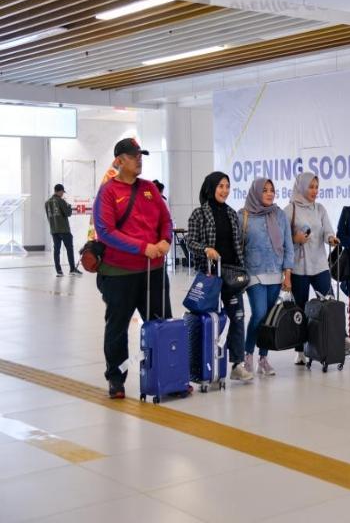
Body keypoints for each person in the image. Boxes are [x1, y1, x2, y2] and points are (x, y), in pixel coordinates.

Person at [93, 138, 172, 399]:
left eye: (140, 155)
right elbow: (105, 232)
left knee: (161, 324)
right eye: (133, 156)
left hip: (154, 271)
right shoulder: (108, 192)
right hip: (119, 273)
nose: (139, 159)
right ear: (119, 161)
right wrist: (142, 247)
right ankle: (116, 379)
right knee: (117, 329)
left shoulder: (149, 188)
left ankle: (168, 375)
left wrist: (165, 239)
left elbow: (166, 219)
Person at [187, 172, 253, 382]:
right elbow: (190, 242)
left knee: (237, 317)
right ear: (211, 188)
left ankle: (237, 364)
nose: (225, 190)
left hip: (231, 276)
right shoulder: (199, 214)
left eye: (227, 186)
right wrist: (206, 249)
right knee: (208, 319)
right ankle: (204, 365)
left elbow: (238, 246)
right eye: (220, 186)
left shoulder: (232, 214)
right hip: (209, 276)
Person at [285, 172, 350, 365]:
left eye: (316, 187)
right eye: (311, 187)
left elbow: (327, 231)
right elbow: (282, 239)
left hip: (319, 265)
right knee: (300, 310)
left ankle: (343, 338)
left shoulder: (320, 209)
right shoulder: (290, 210)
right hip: (298, 268)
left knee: (330, 302)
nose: (314, 191)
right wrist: (295, 239)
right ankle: (300, 350)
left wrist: (331, 239)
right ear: (301, 187)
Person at [240, 178, 293, 376]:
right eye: (265, 190)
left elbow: (288, 246)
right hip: (253, 272)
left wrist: (287, 274)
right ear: (256, 192)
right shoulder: (243, 215)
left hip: (275, 272)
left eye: (272, 190)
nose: (270, 193)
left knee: (269, 317)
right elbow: (238, 247)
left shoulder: (279, 214)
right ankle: (247, 355)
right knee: (259, 313)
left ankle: (263, 358)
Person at [45, 183, 81, 277]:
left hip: (54, 230)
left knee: (56, 250)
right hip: (64, 229)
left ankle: (59, 271)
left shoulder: (47, 202)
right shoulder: (61, 201)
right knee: (69, 248)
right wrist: (69, 207)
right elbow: (68, 213)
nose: (63, 194)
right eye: (62, 192)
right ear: (60, 191)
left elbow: (48, 216)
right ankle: (72, 269)